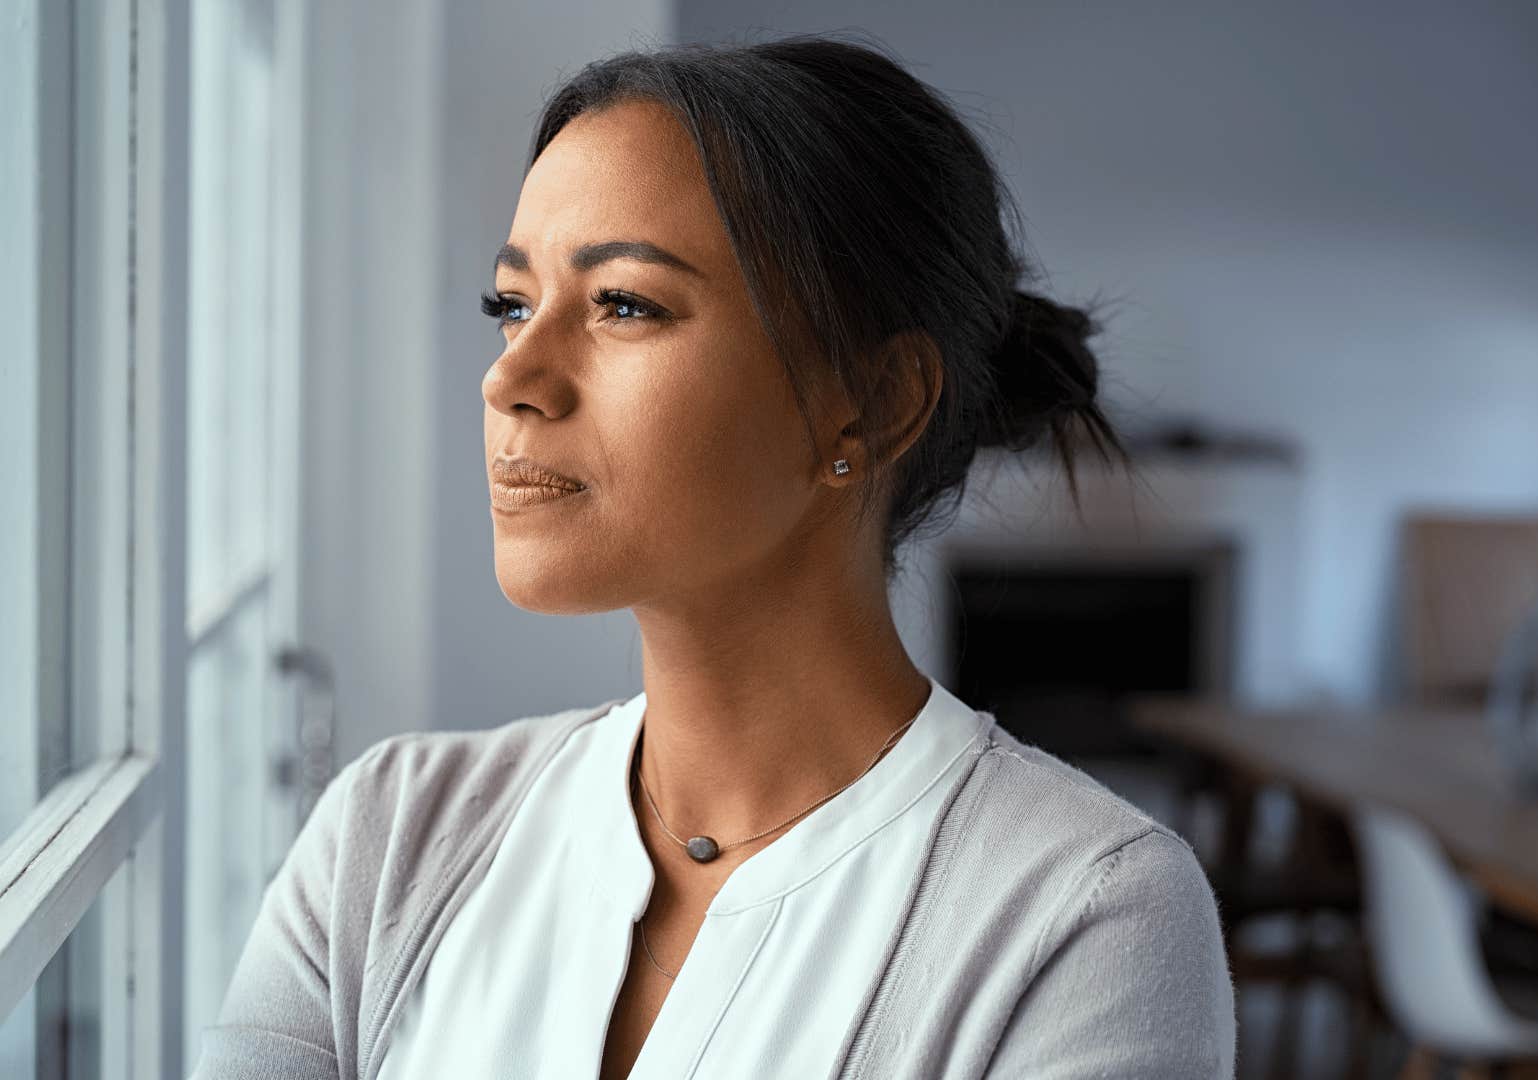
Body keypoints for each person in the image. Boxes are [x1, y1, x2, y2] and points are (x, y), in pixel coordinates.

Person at [191, 32, 1235, 1080]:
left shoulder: (1088, 920)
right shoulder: (388, 838)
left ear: (871, 403)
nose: (512, 378)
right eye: (513, 304)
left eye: (624, 305)